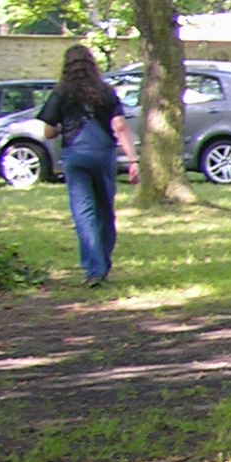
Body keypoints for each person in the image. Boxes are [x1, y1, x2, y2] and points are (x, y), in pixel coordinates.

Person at [44, 45, 134, 286]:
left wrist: (63, 126)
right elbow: (120, 126)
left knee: (84, 212)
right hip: (103, 154)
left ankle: (94, 269)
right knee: (105, 210)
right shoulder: (106, 91)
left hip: (75, 155)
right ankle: (104, 263)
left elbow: (48, 132)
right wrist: (133, 159)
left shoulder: (61, 92)